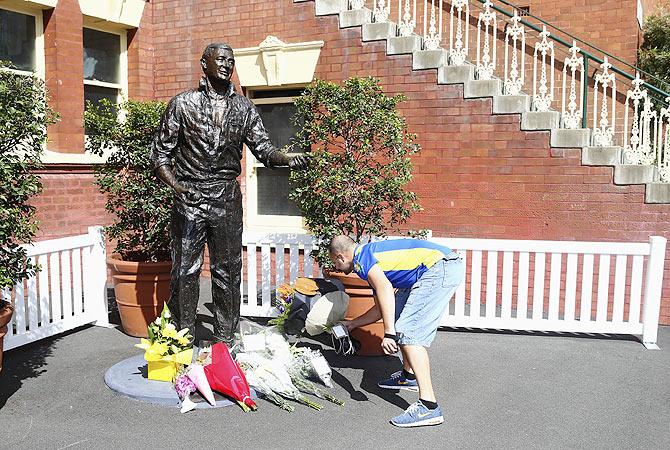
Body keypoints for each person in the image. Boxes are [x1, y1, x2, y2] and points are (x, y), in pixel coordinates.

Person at [152, 43, 308, 344]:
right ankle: (181, 340)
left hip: (226, 197)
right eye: (220, 59)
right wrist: (178, 186)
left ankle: (226, 340)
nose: (227, 64)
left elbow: (263, 149)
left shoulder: (244, 108)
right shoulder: (182, 105)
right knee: (185, 271)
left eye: (231, 61)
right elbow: (160, 156)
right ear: (204, 64)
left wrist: (286, 158)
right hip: (190, 197)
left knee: (228, 272)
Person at [328, 235, 464, 428]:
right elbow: (380, 308)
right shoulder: (369, 257)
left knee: (408, 332)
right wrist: (351, 324)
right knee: (400, 319)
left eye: (335, 263)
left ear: (341, 257)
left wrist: (389, 332)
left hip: (439, 267)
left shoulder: (362, 260)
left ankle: (429, 406)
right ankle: (408, 378)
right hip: (432, 268)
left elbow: (384, 288)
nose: (337, 268)